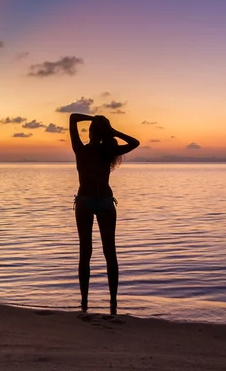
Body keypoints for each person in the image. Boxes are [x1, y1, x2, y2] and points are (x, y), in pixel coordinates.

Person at [69, 113, 139, 315]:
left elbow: (73, 117)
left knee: (86, 253)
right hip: (103, 202)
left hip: (87, 202)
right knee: (110, 253)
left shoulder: (80, 150)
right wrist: (110, 129)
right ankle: (113, 304)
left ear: (91, 132)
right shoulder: (108, 150)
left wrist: (95, 120)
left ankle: (84, 305)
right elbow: (135, 142)